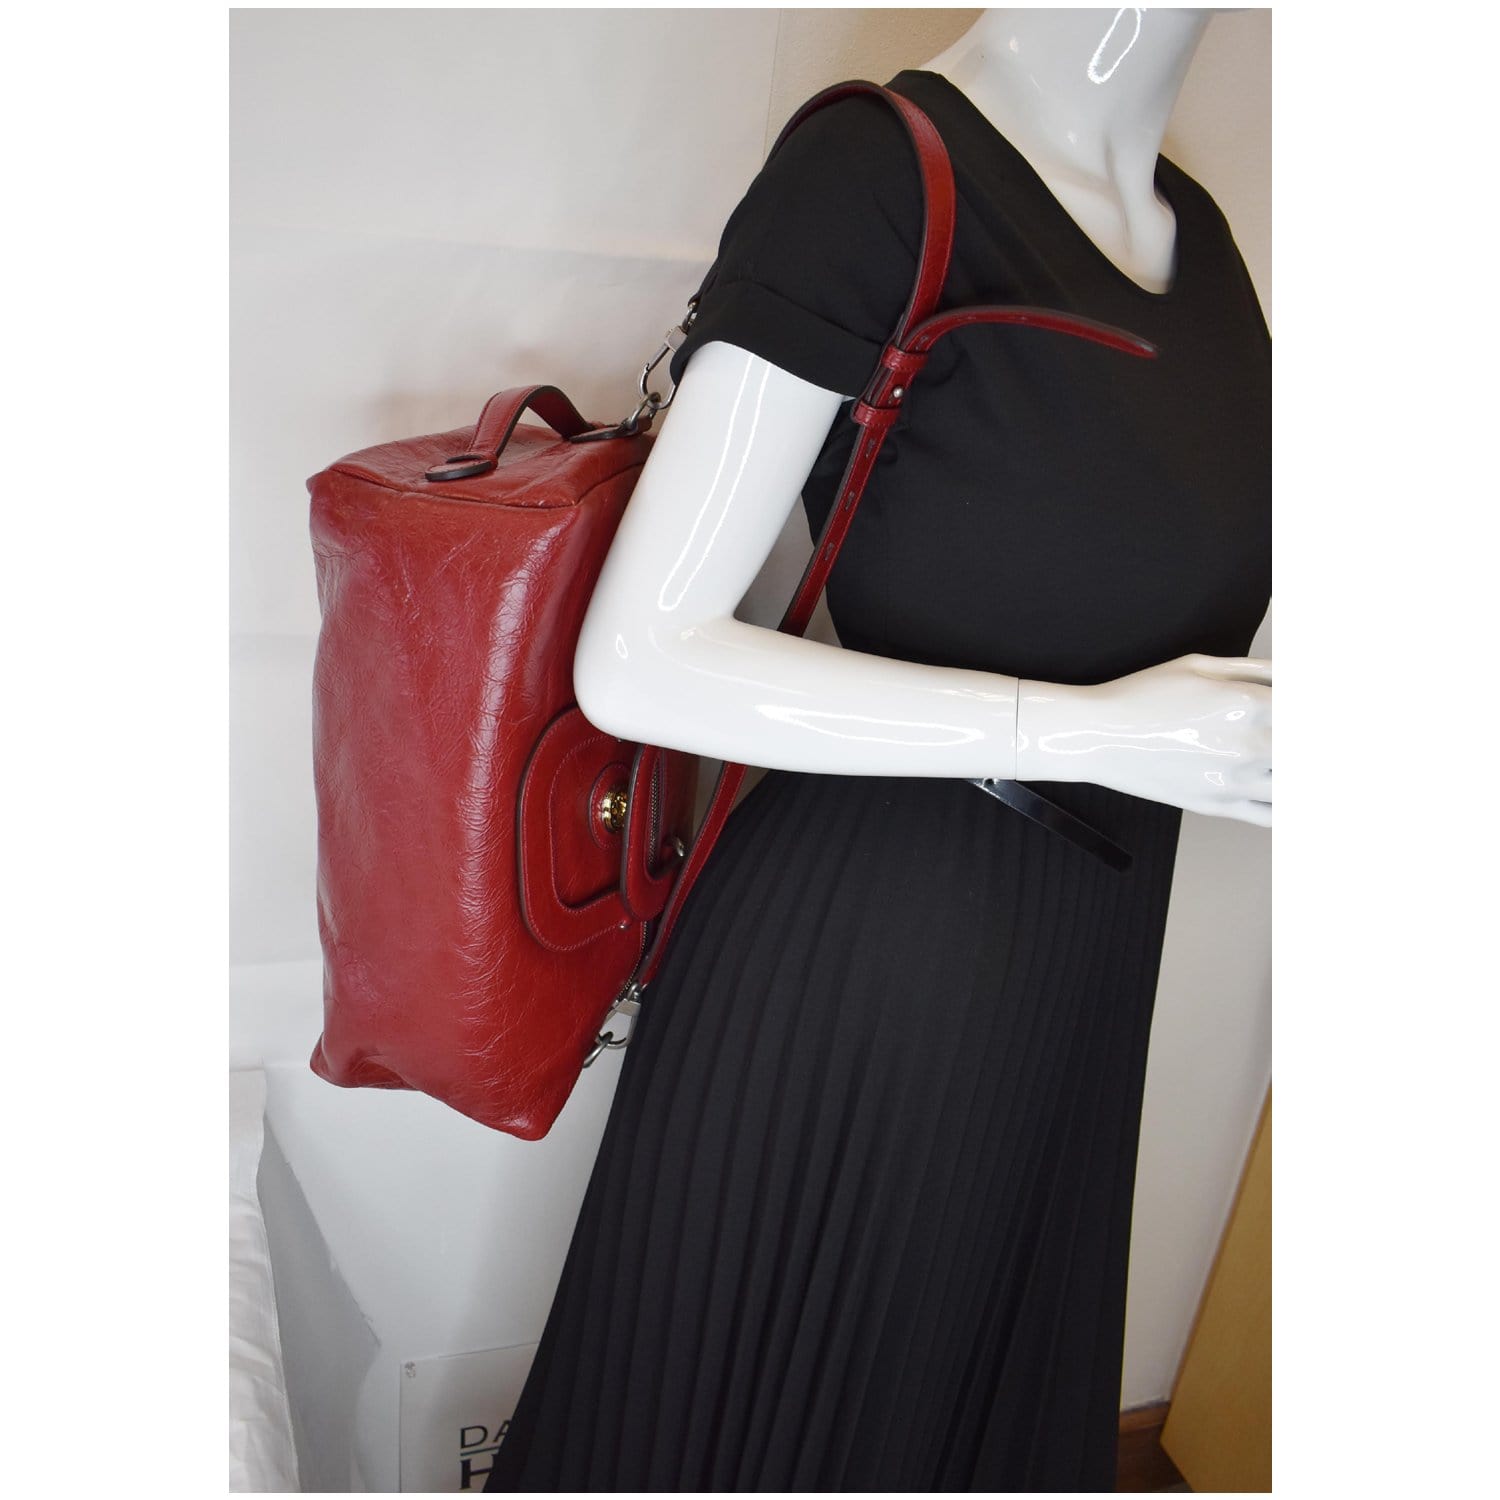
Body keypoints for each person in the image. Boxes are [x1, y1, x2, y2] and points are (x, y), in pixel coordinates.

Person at [486, 8, 1270, 1490]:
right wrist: (1101, 730)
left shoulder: (1205, 241)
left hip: (1079, 979)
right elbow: (638, 660)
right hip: (872, 978)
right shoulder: (879, 175)